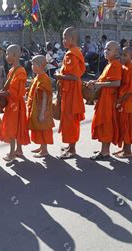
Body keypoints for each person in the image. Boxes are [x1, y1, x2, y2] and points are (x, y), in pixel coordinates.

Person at [54, 27, 86, 159]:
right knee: (68, 118)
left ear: (72, 39)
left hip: (72, 92)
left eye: (65, 37)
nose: (63, 40)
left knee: (71, 119)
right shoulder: (73, 52)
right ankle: (70, 145)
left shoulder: (71, 54)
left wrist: (58, 76)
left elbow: (74, 76)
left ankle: (72, 149)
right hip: (70, 91)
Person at [86, 41, 122, 160]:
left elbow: (117, 83)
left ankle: (105, 152)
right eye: (105, 49)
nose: (106, 51)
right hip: (104, 98)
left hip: (108, 100)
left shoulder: (115, 64)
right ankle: (103, 149)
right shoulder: (109, 64)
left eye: (109, 49)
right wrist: (94, 82)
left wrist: (99, 85)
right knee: (102, 124)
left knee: (105, 124)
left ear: (117, 52)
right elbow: (104, 80)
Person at [0, 44, 30, 162]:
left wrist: (1, 94)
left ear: (15, 55)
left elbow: (18, 93)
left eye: (7, 54)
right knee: (16, 127)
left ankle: (12, 153)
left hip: (16, 104)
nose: (6, 56)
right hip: (12, 103)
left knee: (12, 128)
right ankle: (19, 150)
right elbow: (8, 87)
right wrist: (0, 92)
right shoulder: (12, 70)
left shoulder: (21, 72)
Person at [113, 46, 132, 158]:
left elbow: (131, 90)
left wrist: (120, 100)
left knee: (127, 126)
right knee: (123, 126)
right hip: (123, 101)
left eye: (125, 55)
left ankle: (128, 151)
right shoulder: (124, 67)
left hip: (128, 102)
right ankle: (124, 149)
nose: (122, 57)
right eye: (122, 54)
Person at [27, 55, 55, 158]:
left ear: (39, 65)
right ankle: (41, 147)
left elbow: (44, 97)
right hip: (36, 108)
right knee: (38, 127)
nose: (31, 66)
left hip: (42, 109)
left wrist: (42, 113)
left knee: (43, 128)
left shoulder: (44, 79)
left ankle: (44, 150)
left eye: (32, 64)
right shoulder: (38, 77)